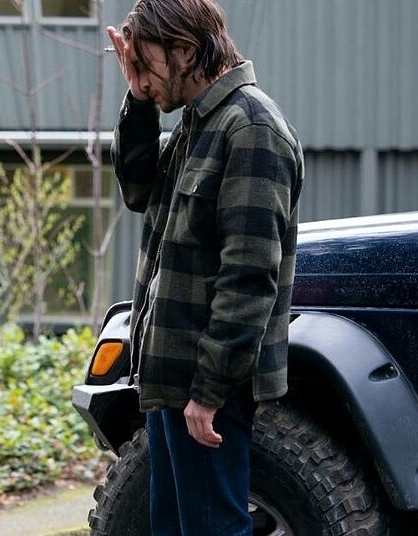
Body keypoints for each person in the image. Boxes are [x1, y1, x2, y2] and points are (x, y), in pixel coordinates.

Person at [106, 1, 304, 534]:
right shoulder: (199, 122)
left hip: (206, 387)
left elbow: (249, 278)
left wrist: (209, 393)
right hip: (170, 377)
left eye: (146, 62)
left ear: (186, 51)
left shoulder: (252, 127)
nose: (141, 76)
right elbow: (136, 190)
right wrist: (139, 101)